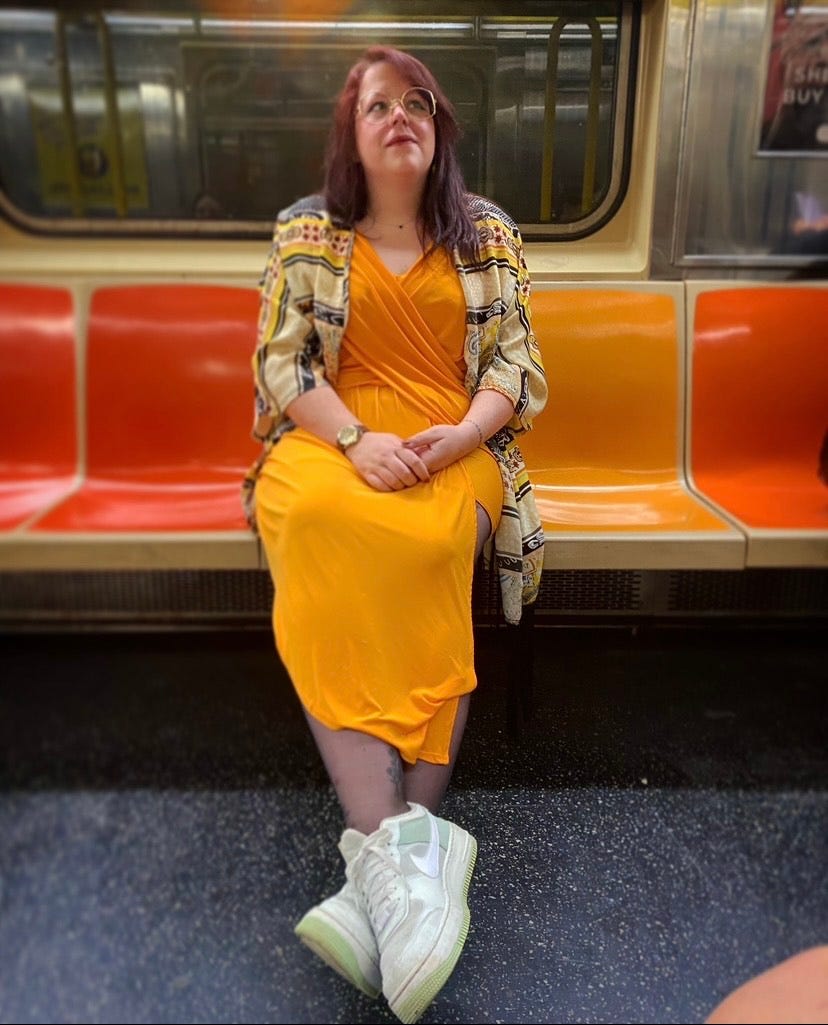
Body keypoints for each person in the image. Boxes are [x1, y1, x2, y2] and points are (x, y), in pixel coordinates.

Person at [242, 45, 547, 1024]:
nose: (400, 116)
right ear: (354, 131)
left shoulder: (488, 236)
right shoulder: (306, 235)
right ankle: (410, 852)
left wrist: (456, 433)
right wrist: (362, 441)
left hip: (452, 442)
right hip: (335, 438)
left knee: (425, 546)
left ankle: (379, 875)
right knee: (323, 518)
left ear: (439, 127)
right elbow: (284, 367)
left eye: (418, 102)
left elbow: (514, 365)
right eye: (381, 105)